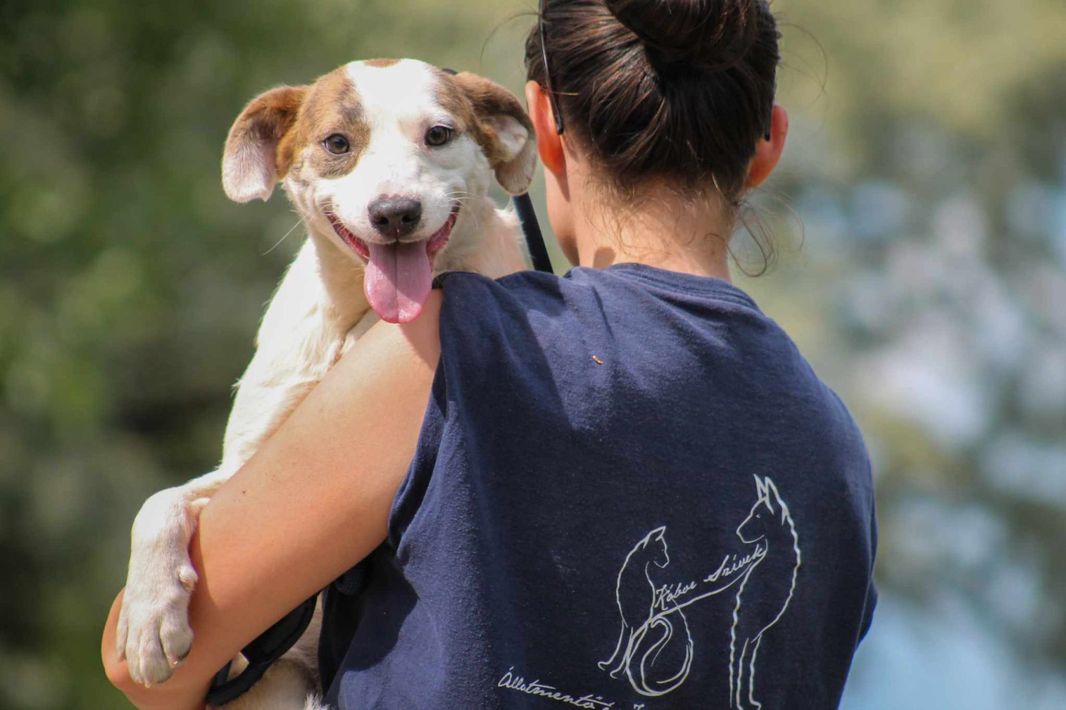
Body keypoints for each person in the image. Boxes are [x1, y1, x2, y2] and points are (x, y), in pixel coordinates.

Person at [102, 0, 877, 707]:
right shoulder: (838, 451)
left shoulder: (445, 350)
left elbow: (147, 665)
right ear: (769, 143)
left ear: (540, 127)